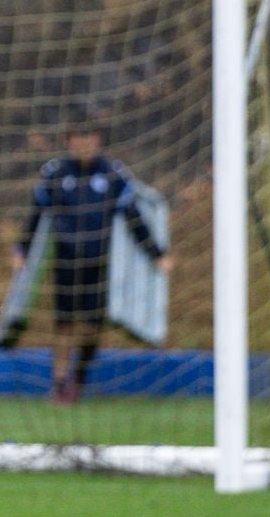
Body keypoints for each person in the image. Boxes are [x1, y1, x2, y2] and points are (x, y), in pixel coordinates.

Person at [15, 117, 172, 404]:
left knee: (90, 328)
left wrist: (156, 253)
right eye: (77, 138)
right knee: (63, 325)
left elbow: (132, 216)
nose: (83, 144)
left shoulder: (112, 174)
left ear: (97, 140)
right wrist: (22, 249)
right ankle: (60, 383)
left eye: (88, 138)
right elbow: (36, 215)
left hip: (98, 263)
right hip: (65, 260)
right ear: (68, 141)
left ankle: (79, 377)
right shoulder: (55, 173)